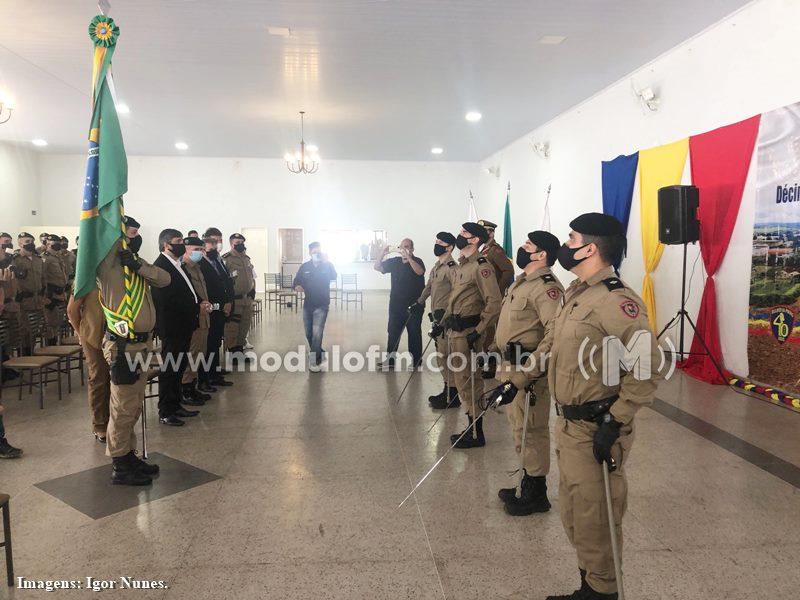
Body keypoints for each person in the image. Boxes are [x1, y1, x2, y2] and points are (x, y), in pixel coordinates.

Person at [499, 213, 661, 600]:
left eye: (571, 239)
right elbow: (551, 344)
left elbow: (646, 367)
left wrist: (617, 421)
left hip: (596, 427)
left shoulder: (616, 302)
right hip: (569, 424)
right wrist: (516, 380)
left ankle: (603, 592)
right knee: (575, 513)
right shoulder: (578, 293)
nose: (565, 246)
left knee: (597, 517)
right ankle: (589, 584)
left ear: (589, 248)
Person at [491, 230, 563, 516]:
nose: (522, 248)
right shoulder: (522, 282)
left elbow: (555, 333)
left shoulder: (547, 288)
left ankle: (537, 493)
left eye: (528, 245)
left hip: (529, 372)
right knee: (520, 428)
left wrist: (529, 369)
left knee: (531, 430)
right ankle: (527, 481)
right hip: (511, 366)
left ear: (541, 254)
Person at [95, 216, 170, 485]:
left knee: (134, 405)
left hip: (142, 345)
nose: (135, 236)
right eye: (130, 232)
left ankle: (129, 455)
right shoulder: (107, 266)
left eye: (137, 233)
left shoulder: (135, 262)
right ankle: (119, 464)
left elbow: (164, 278)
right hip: (123, 347)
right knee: (123, 407)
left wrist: (136, 264)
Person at [439, 222, 501, 448]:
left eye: (465, 233)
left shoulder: (481, 266)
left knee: (470, 381)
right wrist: (443, 321)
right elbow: (455, 299)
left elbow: (494, 303)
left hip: (469, 334)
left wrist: (479, 331)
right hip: (455, 331)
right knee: (461, 380)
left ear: (475, 240)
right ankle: (471, 425)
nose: (460, 235)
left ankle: (476, 432)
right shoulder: (463, 266)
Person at [152, 229, 202, 426]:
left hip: (184, 324)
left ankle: (176, 403)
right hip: (172, 326)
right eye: (178, 241)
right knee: (170, 368)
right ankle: (166, 410)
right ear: (166, 245)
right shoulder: (161, 266)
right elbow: (164, 300)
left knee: (179, 365)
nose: (182, 244)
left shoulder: (177, 264)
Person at [413, 232, 459, 409]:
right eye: (436, 241)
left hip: (446, 321)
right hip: (438, 319)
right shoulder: (437, 267)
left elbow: (457, 295)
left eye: (441, 242)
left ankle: (452, 395)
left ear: (450, 247)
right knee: (441, 356)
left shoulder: (451, 268)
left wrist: (445, 318)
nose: (437, 244)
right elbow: (429, 287)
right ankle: (448, 390)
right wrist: (418, 302)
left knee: (447, 357)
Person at [67, 285, 112, 443]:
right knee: (99, 377)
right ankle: (100, 425)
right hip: (93, 335)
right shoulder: (85, 277)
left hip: (115, 334)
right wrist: (81, 333)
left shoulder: (114, 272)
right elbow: (72, 311)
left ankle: (112, 420)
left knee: (113, 379)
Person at [374, 238, 426, 369]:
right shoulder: (394, 262)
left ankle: (416, 362)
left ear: (412, 249)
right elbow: (377, 267)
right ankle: (390, 361)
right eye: (401, 247)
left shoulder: (417, 261)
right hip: (396, 306)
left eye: (407, 246)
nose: (404, 249)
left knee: (414, 334)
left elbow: (419, 271)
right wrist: (382, 253)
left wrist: (409, 258)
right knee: (393, 334)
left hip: (414, 306)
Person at [180, 236, 215, 401]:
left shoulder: (197, 267)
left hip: (204, 317)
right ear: (186, 250)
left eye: (201, 250)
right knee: (192, 354)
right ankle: (186, 389)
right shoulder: (183, 268)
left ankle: (193, 385)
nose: (200, 253)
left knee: (200, 353)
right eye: (196, 250)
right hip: (194, 317)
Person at [293, 242, 337, 371]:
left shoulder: (327, 265)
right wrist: (296, 286)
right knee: (309, 333)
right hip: (308, 304)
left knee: (317, 333)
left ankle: (314, 362)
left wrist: (327, 262)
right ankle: (319, 352)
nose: (317, 255)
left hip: (322, 304)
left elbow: (334, 276)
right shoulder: (305, 267)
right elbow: (297, 280)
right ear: (310, 253)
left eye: (319, 252)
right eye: (314, 252)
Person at [199, 228, 233, 388]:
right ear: (204, 241)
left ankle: (214, 371)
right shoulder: (200, 262)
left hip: (222, 307)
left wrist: (228, 302)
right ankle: (206, 377)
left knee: (216, 342)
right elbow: (206, 288)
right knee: (208, 344)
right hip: (210, 309)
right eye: (212, 241)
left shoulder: (217, 259)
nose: (216, 244)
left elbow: (225, 281)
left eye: (219, 241)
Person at [223, 233, 255, 362]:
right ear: (231, 244)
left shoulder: (246, 258)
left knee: (244, 326)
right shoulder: (226, 259)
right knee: (233, 327)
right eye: (237, 242)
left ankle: (240, 351)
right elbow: (223, 280)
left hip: (246, 298)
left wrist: (253, 291)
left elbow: (252, 276)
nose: (240, 244)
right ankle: (233, 353)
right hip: (235, 299)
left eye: (242, 242)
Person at [12, 232, 44, 354]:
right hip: (24, 300)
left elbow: (43, 278)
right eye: (27, 242)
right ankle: (24, 357)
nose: (30, 244)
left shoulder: (38, 259)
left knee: (34, 329)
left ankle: (31, 353)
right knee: (24, 330)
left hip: (37, 300)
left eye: (32, 241)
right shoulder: (15, 260)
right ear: (20, 244)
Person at [0, 233, 21, 381]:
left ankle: (6, 368)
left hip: (9, 303)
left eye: (10, 242)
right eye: (6, 242)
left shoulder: (8, 260)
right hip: (4, 303)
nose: (8, 245)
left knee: (7, 340)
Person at [42, 234, 68, 343]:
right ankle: (50, 346)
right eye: (55, 244)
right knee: (50, 323)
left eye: (59, 244)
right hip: (50, 295)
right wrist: (46, 296)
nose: (58, 246)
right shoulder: (45, 258)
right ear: (48, 244)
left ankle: (55, 345)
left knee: (57, 322)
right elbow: (42, 278)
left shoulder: (58, 257)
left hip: (60, 293)